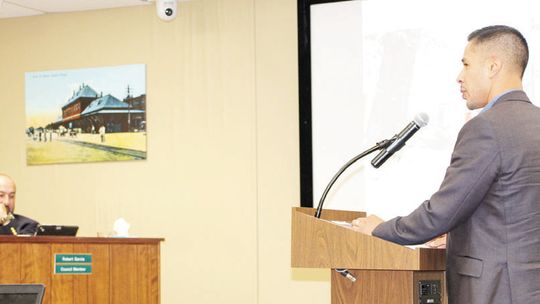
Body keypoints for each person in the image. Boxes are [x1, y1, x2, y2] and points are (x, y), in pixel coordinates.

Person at [352, 25, 540, 304]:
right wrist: (458, 235)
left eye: (466, 64)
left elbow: (441, 212)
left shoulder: (486, 128)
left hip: (496, 291)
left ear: (492, 66)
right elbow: (512, 212)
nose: (459, 77)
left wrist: (379, 229)